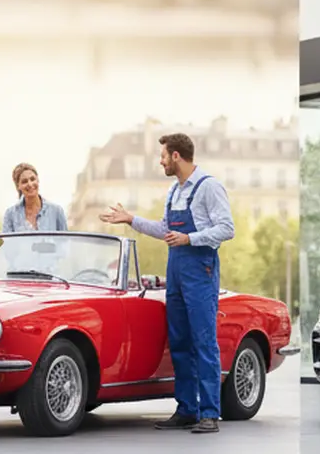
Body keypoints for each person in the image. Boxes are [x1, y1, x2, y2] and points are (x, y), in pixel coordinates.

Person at [99, 133, 234, 434]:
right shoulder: (174, 190)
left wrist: (190, 238)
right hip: (175, 268)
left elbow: (227, 228)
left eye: (162, 156)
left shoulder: (209, 186)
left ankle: (210, 413)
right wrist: (130, 219)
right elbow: (164, 230)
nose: (159, 161)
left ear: (175, 156)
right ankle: (187, 409)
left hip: (201, 268)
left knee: (203, 342)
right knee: (179, 341)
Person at [2, 163, 68, 233]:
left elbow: (65, 242)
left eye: (32, 179)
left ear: (38, 180)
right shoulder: (10, 214)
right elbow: (6, 242)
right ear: (18, 186)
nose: (30, 184)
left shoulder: (57, 211)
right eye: (24, 181)